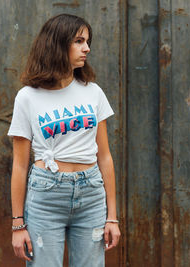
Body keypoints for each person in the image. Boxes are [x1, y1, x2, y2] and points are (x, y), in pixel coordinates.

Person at [8, 14, 120, 267]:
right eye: (79, 41)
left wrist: (112, 217)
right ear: (57, 44)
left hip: (91, 193)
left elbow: (104, 156)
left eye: (88, 41)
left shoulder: (93, 92)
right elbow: (19, 165)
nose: (87, 48)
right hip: (46, 195)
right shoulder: (27, 97)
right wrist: (18, 224)